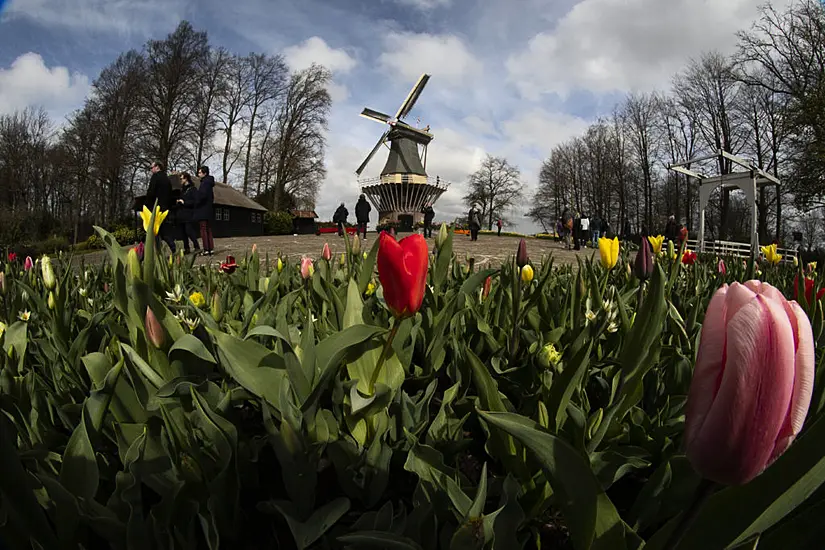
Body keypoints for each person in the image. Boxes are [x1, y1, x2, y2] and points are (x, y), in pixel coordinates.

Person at [146, 161, 176, 253]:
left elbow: (151, 192)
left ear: (157, 167)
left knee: (155, 230)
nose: (151, 170)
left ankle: (157, 251)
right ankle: (171, 245)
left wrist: (147, 205)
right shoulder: (167, 179)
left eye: (152, 167)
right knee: (164, 229)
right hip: (165, 207)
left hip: (156, 207)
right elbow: (170, 194)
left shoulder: (155, 177)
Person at [176, 172, 200, 254]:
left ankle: (197, 246)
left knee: (189, 230)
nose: (180, 180)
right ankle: (186, 248)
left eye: (181, 178)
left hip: (189, 213)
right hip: (181, 213)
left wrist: (185, 202)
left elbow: (195, 201)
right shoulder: (182, 189)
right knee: (182, 232)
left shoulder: (193, 189)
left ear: (186, 178)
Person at [195, 165, 215, 256]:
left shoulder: (205, 183)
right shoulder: (209, 183)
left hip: (203, 209)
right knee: (208, 229)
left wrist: (196, 201)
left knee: (203, 229)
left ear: (204, 173)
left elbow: (202, 196)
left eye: (200, 172)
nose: (198, 174)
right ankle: (210, 248)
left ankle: (206, 249)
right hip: (208, 209)